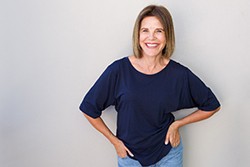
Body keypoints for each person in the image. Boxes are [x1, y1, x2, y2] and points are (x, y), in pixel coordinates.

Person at [79, 5, 220, 167]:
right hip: (130, 158)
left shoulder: (178, 74)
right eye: (145, 30)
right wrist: (115, 142)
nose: (151, 37)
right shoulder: (119, 70)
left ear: (167, 36)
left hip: (169, 155)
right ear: (138, 35)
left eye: (159, 31)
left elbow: (212, 105)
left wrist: (177, 124)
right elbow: (88, 108)